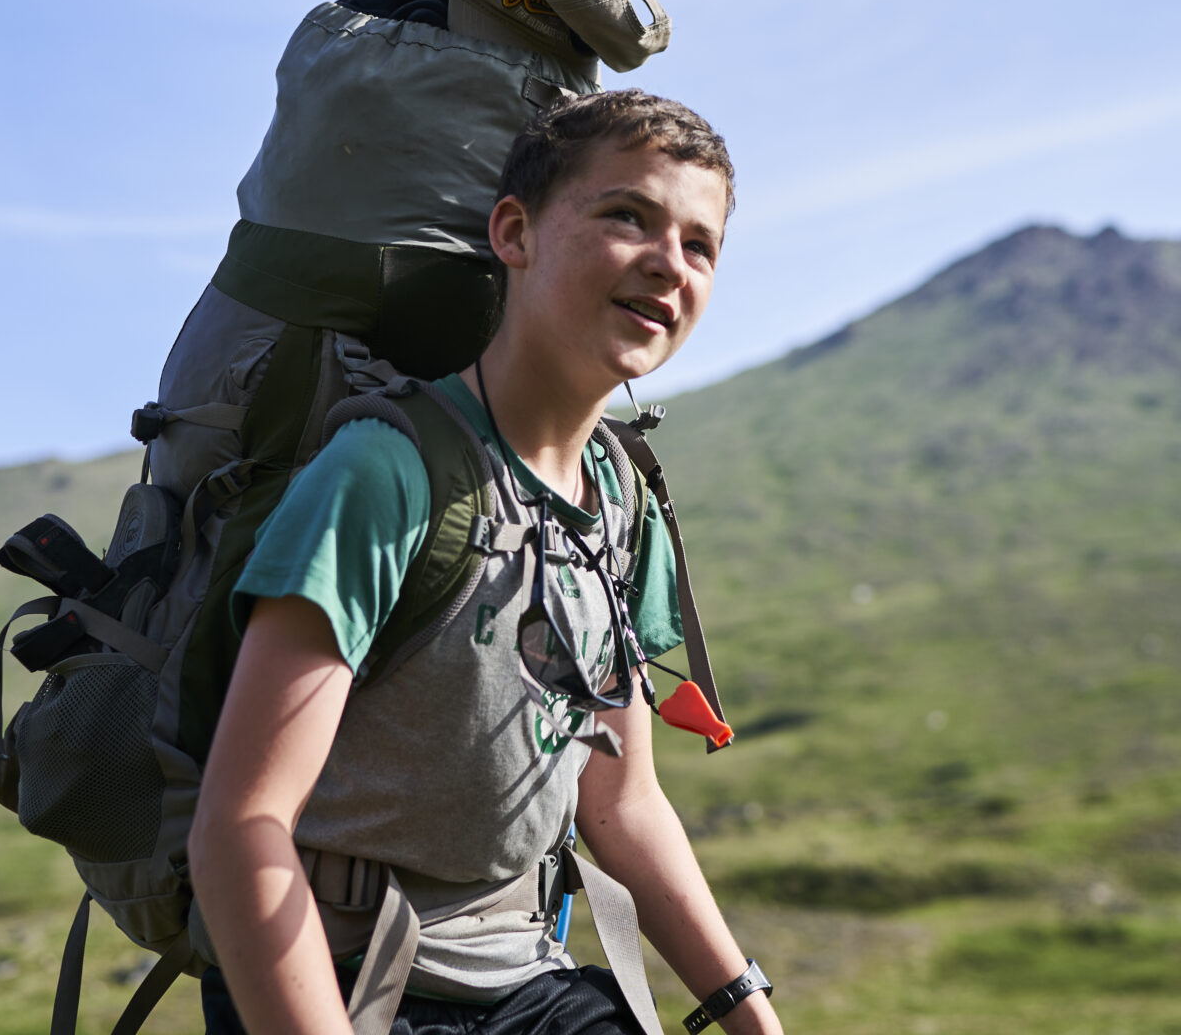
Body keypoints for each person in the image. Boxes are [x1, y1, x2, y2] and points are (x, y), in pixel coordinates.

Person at [189, 89, 783, 1035]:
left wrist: (747, 1009)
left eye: (700, 244)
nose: (670, 265)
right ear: (515, 231)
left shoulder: (620, 508)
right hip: (351, 981)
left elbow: (622, 804)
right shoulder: (386, 473)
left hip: (526, 981)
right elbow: (240, 826)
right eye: (627, 215)